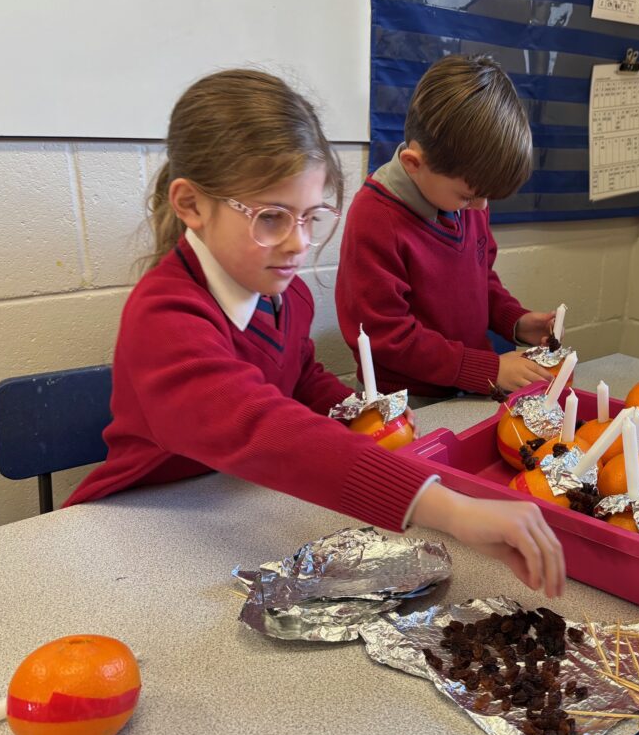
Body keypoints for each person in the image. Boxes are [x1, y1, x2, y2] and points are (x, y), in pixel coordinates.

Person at [66, 69, 565, 597]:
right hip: (139, 529)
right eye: (272, 218)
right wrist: (449, 509)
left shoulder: (285, 293)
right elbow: (261, 426)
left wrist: (364, 417)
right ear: (191, 206)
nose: (298, 245)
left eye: (311, 217)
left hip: (233, 506)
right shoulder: (163, 320)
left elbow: (299, 375)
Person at [335, 54, 556, 400]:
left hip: (470, 382)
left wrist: (516, 321)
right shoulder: (375, 217)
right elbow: (387, 336)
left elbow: (481, 280)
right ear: (413, 163)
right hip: (407, 399)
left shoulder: (464, 199)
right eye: (469, 197)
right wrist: (490, 368)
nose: (480, 208)